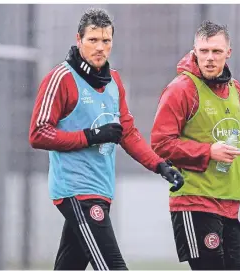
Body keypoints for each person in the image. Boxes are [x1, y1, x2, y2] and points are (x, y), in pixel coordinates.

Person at [29, 8, 183, 271]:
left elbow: (128, 133)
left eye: (106, 41)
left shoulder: (114, 82)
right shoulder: (61, 78)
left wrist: (160, 165)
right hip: (76, 190)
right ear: (79, 40)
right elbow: (38, 133)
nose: (100, 47)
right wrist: (90, 136)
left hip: (101, 190)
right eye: (93, 40)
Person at [150, 20, 240, 270]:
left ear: (228, 53)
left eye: (216, 51)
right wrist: (208, 152)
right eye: (204, 51)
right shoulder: (181, 89)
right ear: (194, 50)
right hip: (194, 201)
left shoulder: (235, 89)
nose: (209, 58)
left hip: (229, 204)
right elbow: (160, 143)